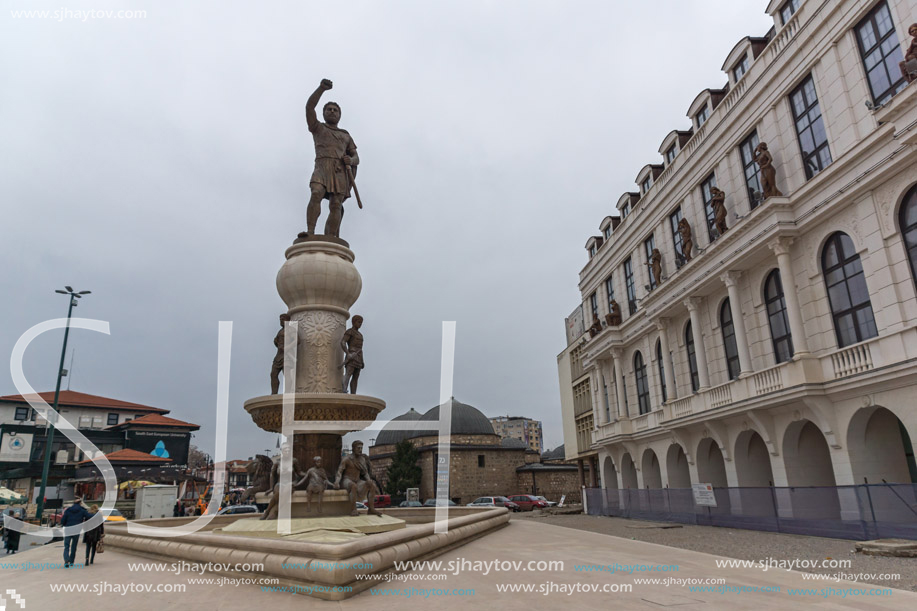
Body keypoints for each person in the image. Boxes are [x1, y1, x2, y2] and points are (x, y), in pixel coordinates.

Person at [302, 78, 360, 239]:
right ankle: (310, 231)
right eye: (329, 109)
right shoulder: (318, 128)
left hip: (339, 170)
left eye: (335, 110)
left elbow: (356, 157)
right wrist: (321, 89)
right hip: (322, 167)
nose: (332, 112)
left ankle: (331, 237)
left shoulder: (345, 135)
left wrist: (351, 160)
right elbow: (309, 107)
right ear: (324, 113)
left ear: (340, 115)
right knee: (316, 193)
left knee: (336, 204)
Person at [334, 441, 381, 517]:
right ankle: (353, 509)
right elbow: (340, 471)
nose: (360, 450)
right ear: (353, 448)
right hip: (347, 480)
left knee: (372, 484)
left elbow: (365, 473)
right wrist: (337, 482)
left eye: (361, 448)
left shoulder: (362, 460)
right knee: (353, 486)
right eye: (358, 448)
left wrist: (368, 480)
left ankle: (371, 509)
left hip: (357, 480)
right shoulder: (347, 459)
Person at [59, 497, 92, 568]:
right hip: (76, 530)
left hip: (68, 529)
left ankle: (66, 560)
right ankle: (71, 561)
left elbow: (63, 520)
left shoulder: (68, 510)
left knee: (66, 546)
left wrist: (64, 525)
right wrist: (98, 514)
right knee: (74, 546)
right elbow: (89, 516)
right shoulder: (82, 510)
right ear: (80, 503)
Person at [341, 315, 364, 394]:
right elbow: (343, 342)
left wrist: (362, 360)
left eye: (361, 323)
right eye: (358, 322)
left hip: (359, 357)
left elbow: (361, 349)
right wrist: (347, 353)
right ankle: (344, 389)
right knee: (348, 373)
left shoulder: (360, 335)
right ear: (354, 322)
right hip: (351, 355)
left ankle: (353, 393)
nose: (360, 324)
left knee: (356, 376)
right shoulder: (350, 332)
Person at [270, 313, 292, 394]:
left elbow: (297, 341)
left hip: (287, 355)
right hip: (278, 355)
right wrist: (276, 342)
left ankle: (288, 392)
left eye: (283, 319)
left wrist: (288, 347)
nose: (281, 321)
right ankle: (274, 393)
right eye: (280, 319)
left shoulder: (290, 330)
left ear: (288, 320)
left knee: (287, 375)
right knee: (273, 374)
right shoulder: (280, 331)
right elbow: (277, 342)